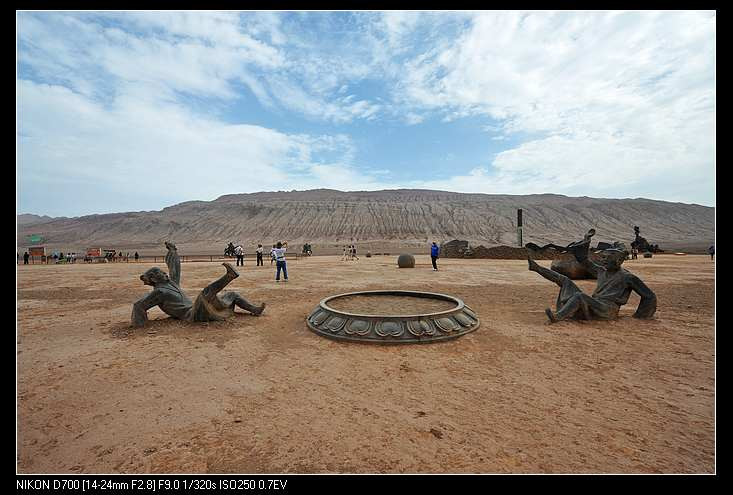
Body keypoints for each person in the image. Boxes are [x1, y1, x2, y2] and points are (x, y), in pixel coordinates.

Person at [526, 234, 657, 323]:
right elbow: (585, 262)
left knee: (579, 296)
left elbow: (649, 296)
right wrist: (583, 246)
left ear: (618, 260)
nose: (603, 260)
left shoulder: (627, 277)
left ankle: (557, 317)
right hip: (596, 303)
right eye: (603, 257)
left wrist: (640, 316)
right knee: (566, 281)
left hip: (607, 310)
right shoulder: (601, 271)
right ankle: (536, 268)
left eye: (607, 258)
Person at [131, 241, 265, 327]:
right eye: (161, 274)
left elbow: (175, 269)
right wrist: (139, 324)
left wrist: (173, 252)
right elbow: (139, 305)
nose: (166, 274)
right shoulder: (159, 292)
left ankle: (255, 310)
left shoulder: (171, 284)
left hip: (196, 309)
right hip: (192, 315)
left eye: (164, 273)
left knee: (232, 294)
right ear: (154, 279)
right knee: (204, 294)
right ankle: (229, 276)